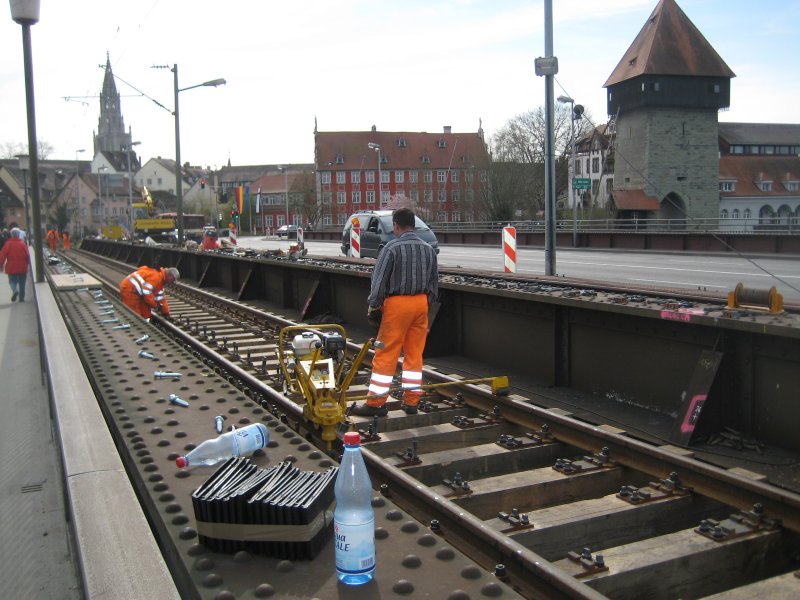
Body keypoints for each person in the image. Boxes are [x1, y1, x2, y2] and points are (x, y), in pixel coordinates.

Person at [351, 208, 439, 417]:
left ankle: (375, 404)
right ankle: (411, 402)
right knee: (414, 354)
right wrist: (426, 303)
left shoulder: (391, 248)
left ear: (396, 225)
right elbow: (434, 283)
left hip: (397, 305)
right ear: (414, 225)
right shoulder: (428, 249)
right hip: (421, 304)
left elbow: (379, 281)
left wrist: (373, 305)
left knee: (386, 353)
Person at [0, 228, 31, 303]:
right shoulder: (22, 244)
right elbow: (27, 255)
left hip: (11, 267)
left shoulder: (8, 244)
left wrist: (1, 264)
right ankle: (21, 298)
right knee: (22, 282)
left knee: (12, 281)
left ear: (11, 235)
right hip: (22, 266)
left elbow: (2, 255)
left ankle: (14, 291)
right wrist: (28, 263)